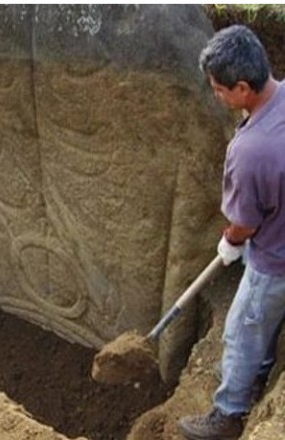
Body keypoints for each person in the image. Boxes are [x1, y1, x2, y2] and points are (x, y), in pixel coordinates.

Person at [178, 24, 285, 440]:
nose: (217, 97)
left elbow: (246, 223)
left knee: (241, 329)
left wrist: (232, 241)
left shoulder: (250, 151)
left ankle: (228, 412)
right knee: (262, 324)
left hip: (276, 261)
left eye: (219, 90)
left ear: (243, 87)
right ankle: (261, 367)